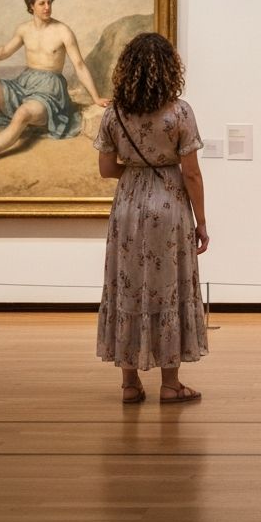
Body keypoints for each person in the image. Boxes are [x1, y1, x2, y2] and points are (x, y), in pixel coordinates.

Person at [94, 32, 209, 404]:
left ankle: (130, 384)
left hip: (128, 207)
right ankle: (170, 384)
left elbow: (106, 169)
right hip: (169, 206)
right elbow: (192, 174)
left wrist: (135, 172)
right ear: (168, 69)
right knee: (168, 286)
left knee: (128, 286)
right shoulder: (180, 112)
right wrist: (202, 222)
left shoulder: (113, 113)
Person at [0, 0, 108, 170]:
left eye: (49, 2)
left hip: (49, 90)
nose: (47, 7)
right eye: (42, 3)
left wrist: (96, 97)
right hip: (25, 83)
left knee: (23, 113)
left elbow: (79, 65)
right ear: (31, 6)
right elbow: (3, 51)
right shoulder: (24, 29)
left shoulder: (63, 31)